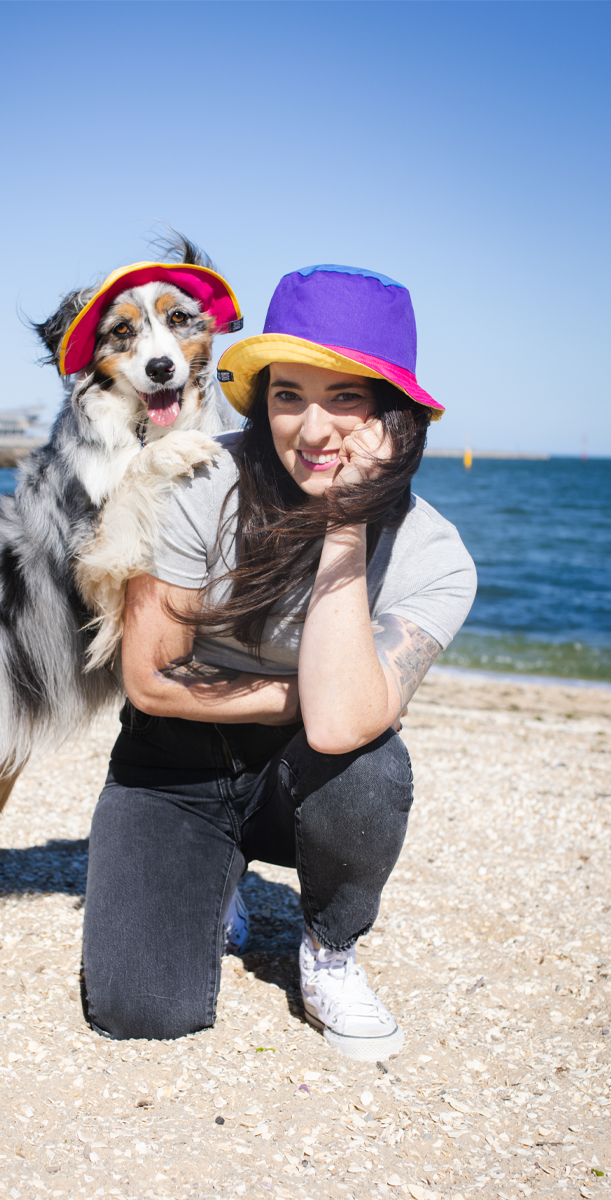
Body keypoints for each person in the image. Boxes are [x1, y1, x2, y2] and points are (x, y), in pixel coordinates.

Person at [82, 264, 477, 1060]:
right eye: (289, 395)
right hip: (171, 763)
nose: (313, 428)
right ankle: (212, 876)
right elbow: (151, 680)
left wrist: (344, 524)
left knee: (371, 766)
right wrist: (324, 693)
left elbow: (338, 731)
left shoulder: (436, 558)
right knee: (139, 1011)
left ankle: (329, 950)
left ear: (394, 419)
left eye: (348, 399)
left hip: (305, 776)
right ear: (261, 405)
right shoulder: (197, 483)